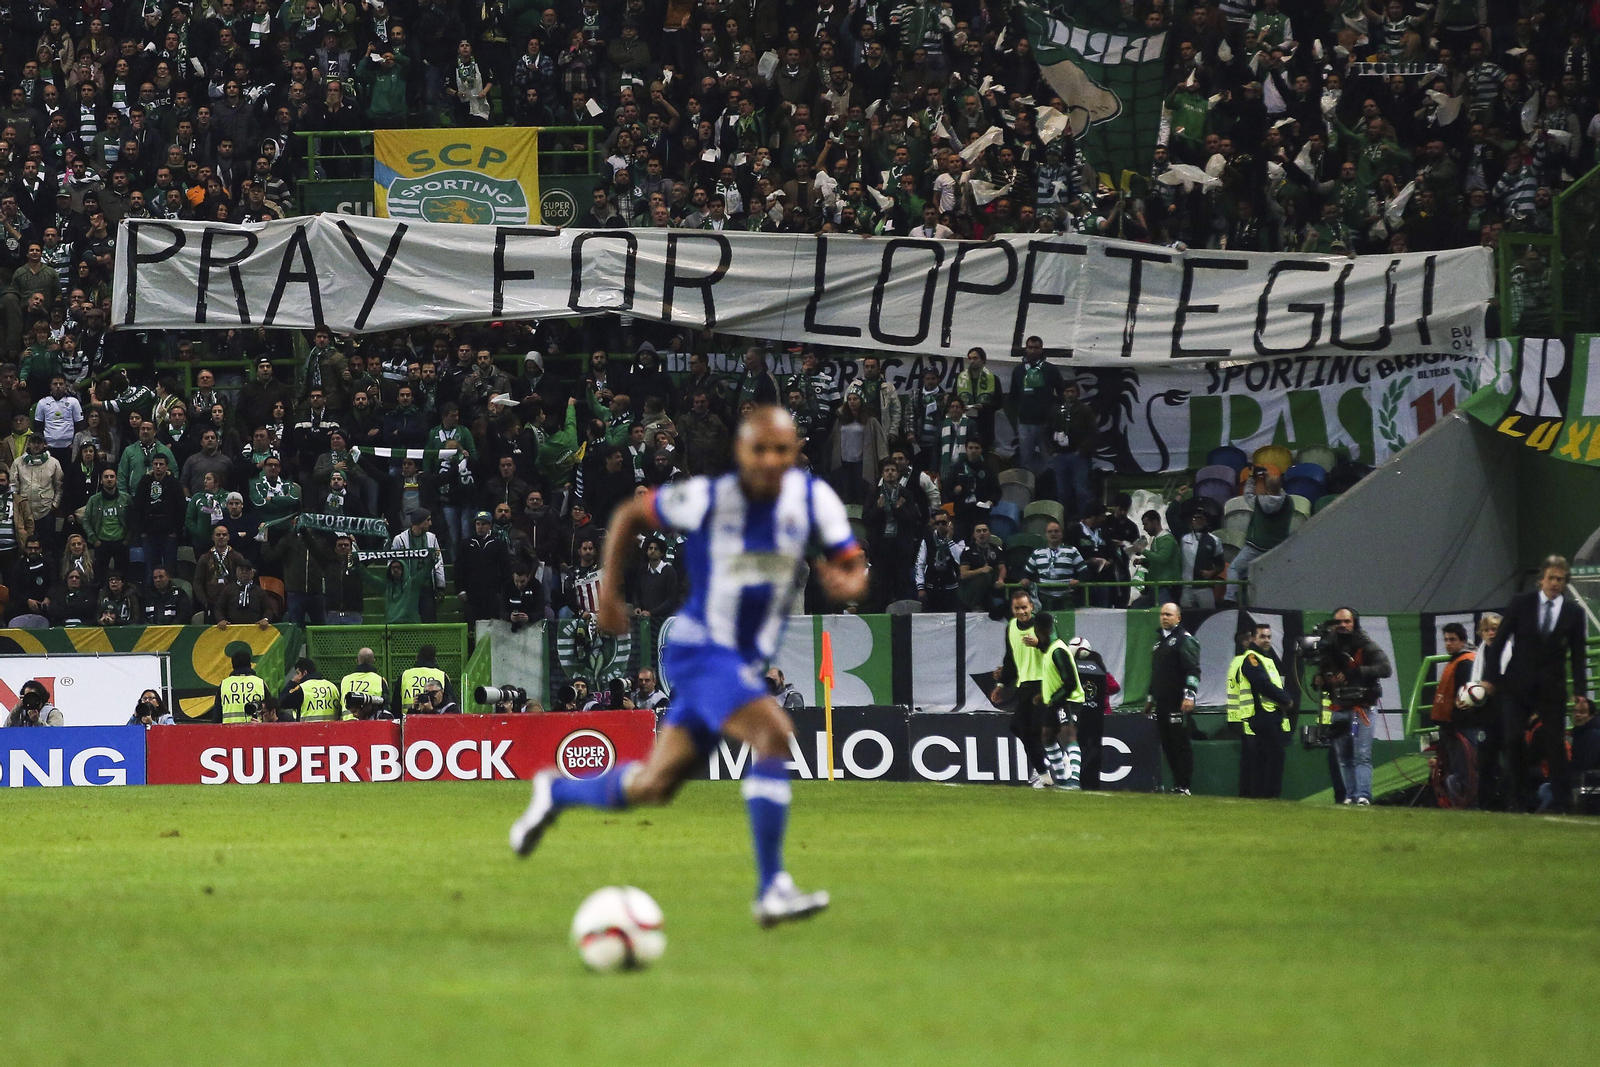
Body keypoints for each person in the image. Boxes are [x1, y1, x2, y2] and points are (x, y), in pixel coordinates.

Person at [510, 405, 867, 928]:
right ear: (740, 453)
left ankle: (557, 790)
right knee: (773, 734)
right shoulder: (708, 498)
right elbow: (631, 515)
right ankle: (772, 889)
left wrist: (849, 583)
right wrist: (610, 595)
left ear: (796, 454)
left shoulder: (815, 501)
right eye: (759, 449)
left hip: (739, 660)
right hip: (700, 650)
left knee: (655, 785)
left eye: (782, 450)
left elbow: (851, 563)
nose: (770, 460)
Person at [1483, 556, 1590, 813]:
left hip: (1552, 688)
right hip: (1517, 686)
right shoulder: (1522, 603)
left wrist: (1580, 692)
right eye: (1551, 578)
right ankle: (1518, 799)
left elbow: (1578, 654)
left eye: (1560, 579)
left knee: (1555, 745)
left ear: (1565, 583)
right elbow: (1499, 643)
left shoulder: (1574, 613)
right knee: (1513, 739)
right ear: (1541, 579)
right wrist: (1490, 678)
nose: (1555, 583)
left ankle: (1562, 803)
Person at [1313, 608, 1394, 806]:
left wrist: (1357, 672)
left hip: (1361, 709)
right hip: (1339, 708)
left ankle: (1363, 796)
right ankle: (1350, 796)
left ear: (1354, 623)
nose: (1342, 625)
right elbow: (1323, 674)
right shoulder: (1329, 649)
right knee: (1344, 756)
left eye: (1347, 621)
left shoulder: (1365, 645)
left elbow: (1385, 668)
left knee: (1361, 755)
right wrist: (1319, 680)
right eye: (1338, 622)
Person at [991, 589, 1055, 788]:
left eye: (1024, 607)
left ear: (1032, 607)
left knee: (1032, 731)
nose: (1021, 612)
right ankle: (1044, 764)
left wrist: (1040, 643)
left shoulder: (1042, 623)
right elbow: (1010, 657)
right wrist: (1001, 684)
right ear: (1012, 609)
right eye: (1017, 608)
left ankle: (1044, 772)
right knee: (1017, 727)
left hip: (1044, 684)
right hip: (1024, 685)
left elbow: (1058, 649)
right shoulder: (1011, 627)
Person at [1228, 622, 1292, 799]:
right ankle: (1270, 795)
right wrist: (1285, 699)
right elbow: (1263, 684)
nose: (1267, 640)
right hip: (1263, 714)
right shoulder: (1252, 658)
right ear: (1253, 638)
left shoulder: (1266, 658)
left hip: (1269, 713)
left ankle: (1262, 795)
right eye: (1262, 636)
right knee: (1274, 756)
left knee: (1263, 758)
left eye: (1269, 637)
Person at [1145, 602, 1200, 795]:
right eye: (1162, 614)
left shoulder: (1185, 640)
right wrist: (1151, 698)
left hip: (1178, 701)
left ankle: (1184, 785)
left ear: (1178, 618)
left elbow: (1193, 670)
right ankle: (1177, 784)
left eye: (1169, 614)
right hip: (1162, 702)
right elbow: (1156, 673)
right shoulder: (1158, 643)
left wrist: (1189, 695)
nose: (1164, 617)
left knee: (1180, 743)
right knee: (1168, 744)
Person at [1225, 470, 1290, 606]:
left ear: (1266, 488)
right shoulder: (1289, 502)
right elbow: (1280, 492)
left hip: (1254, 547)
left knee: (1234, 569)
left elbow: (1247, 494)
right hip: (1276, 549)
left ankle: (1231, 598)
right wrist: (1272, 482)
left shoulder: (1258, 501)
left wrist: (1251, 479)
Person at [1066, 637, 1119, 791]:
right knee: (1089, 746)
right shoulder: (1096, 666)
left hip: (1086, 713)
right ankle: (1086, 781)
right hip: (1091, 714)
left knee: (1084, 745)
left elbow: (1113, 686)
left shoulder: (1093, 668)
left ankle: (1081, 780)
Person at [211, 646, 273, 724]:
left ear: (233, 665)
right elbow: (271, 710)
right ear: (250, 664)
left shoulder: (224, 684)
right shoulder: (260, 683)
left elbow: (217, 715)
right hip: (255, 731)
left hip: (230, 732)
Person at [1179, 510, 1226, 610]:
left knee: (1207, 615)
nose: (1197, 521)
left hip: (1205, 588)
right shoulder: (1184, 539)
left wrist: (1212, 572)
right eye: (1195, 519)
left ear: (1206, 521)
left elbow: (1220, 565)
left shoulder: (1215, 540)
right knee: (1186, 615)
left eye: (1201, 518)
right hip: (1187, 587)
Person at [281, 658, 343, 723]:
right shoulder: (332, 686)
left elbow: (282, 701)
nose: (295, 676)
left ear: (304, 673)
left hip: (308, 731)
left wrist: (292, 682)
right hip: (331, 730)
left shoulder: (302, 689)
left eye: (297, 673)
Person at [340, 648, 390, 718]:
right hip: (371, 726)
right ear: (373, 661)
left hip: (347, 726)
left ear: (357, 660)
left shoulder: (345, 680)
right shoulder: (380, 680)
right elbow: (385, 708)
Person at [398, 644, 449, 709]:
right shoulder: (442, 675)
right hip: (437, 717)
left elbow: (396, 705)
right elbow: (450, 703)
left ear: (417, 657)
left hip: (409, 717)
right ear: (434, 658)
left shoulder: (405, 675)